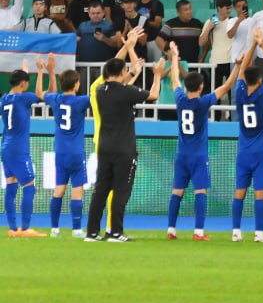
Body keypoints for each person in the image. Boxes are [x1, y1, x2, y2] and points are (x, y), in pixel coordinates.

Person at [84, 52, 163, 242]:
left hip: (104, 147)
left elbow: (118, 87)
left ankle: (92, 232)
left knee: (101, 190)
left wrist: (132, 73)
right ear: (122, 72)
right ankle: (115, 232)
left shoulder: (100, 90)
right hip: (124, 149)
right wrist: (157, 75)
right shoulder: (126, 92)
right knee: (121, 190)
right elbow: (153, 94)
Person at [169, 42, 239, 241]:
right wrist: (238, 67)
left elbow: (174, 79)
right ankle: (198, 231)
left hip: (181, 154)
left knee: (177, 192)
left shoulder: (180, 100)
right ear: (201, 87)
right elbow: (226, 87)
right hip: (198, 156)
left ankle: (171, 230)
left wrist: (174, 57)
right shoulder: (203, 102)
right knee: (200, 191)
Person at [230, 28, 263, 244]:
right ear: (259, 80)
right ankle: (259, 233)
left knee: (239, 192)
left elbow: (241, 71)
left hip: (243, 151)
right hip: (261, 152)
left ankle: (236, 232)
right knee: (260, 192)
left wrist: (251, 46)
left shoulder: (239, 92)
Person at [43, 60, 91, 238]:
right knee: (77, 190)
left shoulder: (55, 99)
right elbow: (100, 96)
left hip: (60, 153)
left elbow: (42, 94)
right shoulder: (81, 101)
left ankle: (54, 229)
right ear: (76, 84)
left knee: (59, 190)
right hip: (76, 153)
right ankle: (76, 229)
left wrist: (49, 71)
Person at [1, 60, 47, 236]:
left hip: (6, 148)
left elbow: (19, 90)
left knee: (11, 186)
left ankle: (12, 229)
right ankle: (26, 228)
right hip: (19, 149)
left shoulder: (4, 99)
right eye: (26, 82)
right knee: (29, 186)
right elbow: (40, 95)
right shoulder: (24, 98)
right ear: (22, 84)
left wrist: (24, 72)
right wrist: (40, 71)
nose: (28, 85)